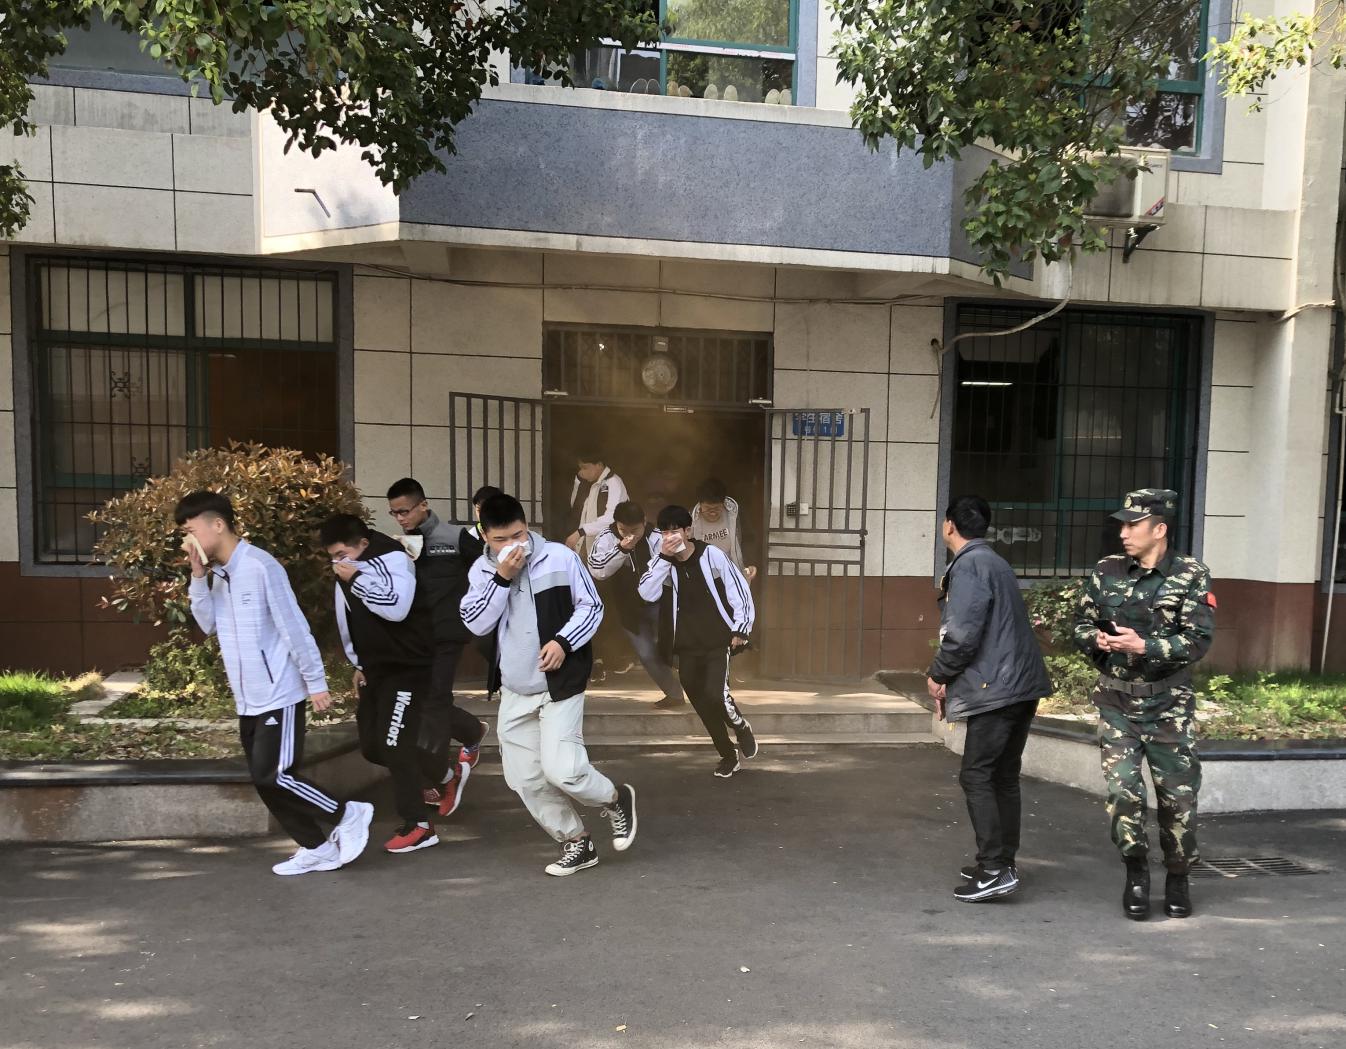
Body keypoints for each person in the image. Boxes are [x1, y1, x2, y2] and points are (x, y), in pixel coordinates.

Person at [177, 491, 374, 877]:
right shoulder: (219, 574)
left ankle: (347, 814)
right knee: (265, 781)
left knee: (276, 775)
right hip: (247, 697)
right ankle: (317, 848)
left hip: (279, 692)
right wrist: (198, 576)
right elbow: (208, 624)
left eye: (191, 529)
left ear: (218, 524)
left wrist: (315, 682)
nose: (188, 539)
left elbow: (292, 625)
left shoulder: (260, 566)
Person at [460, 493, 637, 876]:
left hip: (560, 684)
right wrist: (501, 578)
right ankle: (576, 841)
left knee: (564, 771)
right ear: (484, 536)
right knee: (524, 778)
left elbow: (592, 606)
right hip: (515, 687)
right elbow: (475, 622)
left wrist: (563, 642)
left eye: (518, 535)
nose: (512, 546)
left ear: (528, 527)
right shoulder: (481, 571)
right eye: (500, 540)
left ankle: (614, 798)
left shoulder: (559, 557)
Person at [1073, 489, 1215, 921]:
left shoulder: (1191, 575)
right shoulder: (1107, 570)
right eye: (1122, 525)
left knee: (1177, 799)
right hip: (1117, 702)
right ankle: (1136, 873)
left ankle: (1178, 876)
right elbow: (1080, 624)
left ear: (1159, 529)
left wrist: (1145, 646)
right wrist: (1097, 639)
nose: (1123, 533)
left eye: (1133, 525)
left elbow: (1197, 641)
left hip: (1169, 706)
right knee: (1123, 793)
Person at [926, 495, 1052, 903]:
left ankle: (995, 868)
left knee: (977, 775)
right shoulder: (995, 561)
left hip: (997, 689)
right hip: (1019, 685)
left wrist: (939, 675)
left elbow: (962, 633)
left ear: (949, 525)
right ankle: (1002, 863)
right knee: (1002, 776)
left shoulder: (970, 565)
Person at [322, 513, 453, 855]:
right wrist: (359, 663)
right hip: (375, 668)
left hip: (408, 666)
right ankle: (444, 773)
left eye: (342, 554)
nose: (338, 563)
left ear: (363, 544)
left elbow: (397, 608)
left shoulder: (393, 559)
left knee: (395, 744)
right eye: (332, 557)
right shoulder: (345, 570)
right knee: (372, 746)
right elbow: (346, 617)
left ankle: (419, 825)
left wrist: (357, 579)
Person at [386, 477, 488, 812]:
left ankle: (440, 779)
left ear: (423, 505)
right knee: (421, 700)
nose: (400, 518)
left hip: (448, 634)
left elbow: (487, 572)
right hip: (413, 637)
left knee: (434, 700)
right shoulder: (398, 545)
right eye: (394, 513)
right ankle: (471, 730)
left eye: (405, 511)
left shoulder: (455, 538)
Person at [638, 505, 757, 778]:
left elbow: (738, 589)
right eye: (664, 532)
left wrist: (741, 628)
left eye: (675, 531)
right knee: (701, 703)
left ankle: (740, 726)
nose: (670, 537)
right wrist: (663, 558)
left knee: (717, 696)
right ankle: (727, 755)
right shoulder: (663, 562)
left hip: (718, 640)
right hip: (686, 645)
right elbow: (646, 592)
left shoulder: (711, 554)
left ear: (688, 531)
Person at [587, 500, 686, 710]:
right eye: (623, 530)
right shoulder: (606, 538)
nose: (629, 535)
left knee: (672, 646)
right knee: (647, 654)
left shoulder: (657, 536)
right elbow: (597, 570)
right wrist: (621, 550)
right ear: (616, 524)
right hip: (629, 609)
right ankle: (674, 694)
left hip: (661, 604)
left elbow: (682, 562)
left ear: (644, 522)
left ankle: (702, 687)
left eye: (635, 530)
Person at [691, 477, 758, 584]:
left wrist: (750, 562)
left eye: (717, 508)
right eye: (708, 508)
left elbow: (749, 539)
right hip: (703, 575)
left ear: (723, 503)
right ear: (700, 505)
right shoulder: (691, 520)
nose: (713, 513)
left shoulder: (734, 514)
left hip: (732, 571)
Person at [564, 449, 628, 560]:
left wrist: (581, 532)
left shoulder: (613, 482)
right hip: (587, 545)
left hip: (608, 548)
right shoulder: (590, 483)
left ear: (599, 465)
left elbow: (612, 517)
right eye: (580, 468)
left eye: (585, 467)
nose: (582, 472)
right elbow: (575, 508)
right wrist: (578, 482)